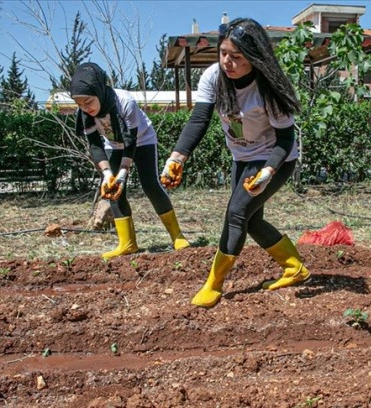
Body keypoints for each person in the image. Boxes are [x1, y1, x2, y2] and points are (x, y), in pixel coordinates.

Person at [161, 18, 309, 308]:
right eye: (223, 53)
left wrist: (268, 171)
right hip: (242, 157)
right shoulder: (214, 77)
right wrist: (176, 157)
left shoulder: (269, 88)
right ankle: (294, 268)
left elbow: (285, 140)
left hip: (274, 159)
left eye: (237, 57)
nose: (227, 61)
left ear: (254, 58)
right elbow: (199, 120)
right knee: (250, 218)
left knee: (237, 213)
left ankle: (214, 284)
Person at [69, 62, 190, 261]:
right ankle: (128, 244)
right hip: (113, 145)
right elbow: (95, 146)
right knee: (113, 191)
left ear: (99, 91)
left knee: (150, 185)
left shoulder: (124, 101)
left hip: (142, 141)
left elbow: (130, 141)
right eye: (80, 104)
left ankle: (177, 236)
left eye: (88, 101)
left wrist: (123, 174)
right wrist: (108, 174)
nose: (85, 107)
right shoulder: (84, 113)